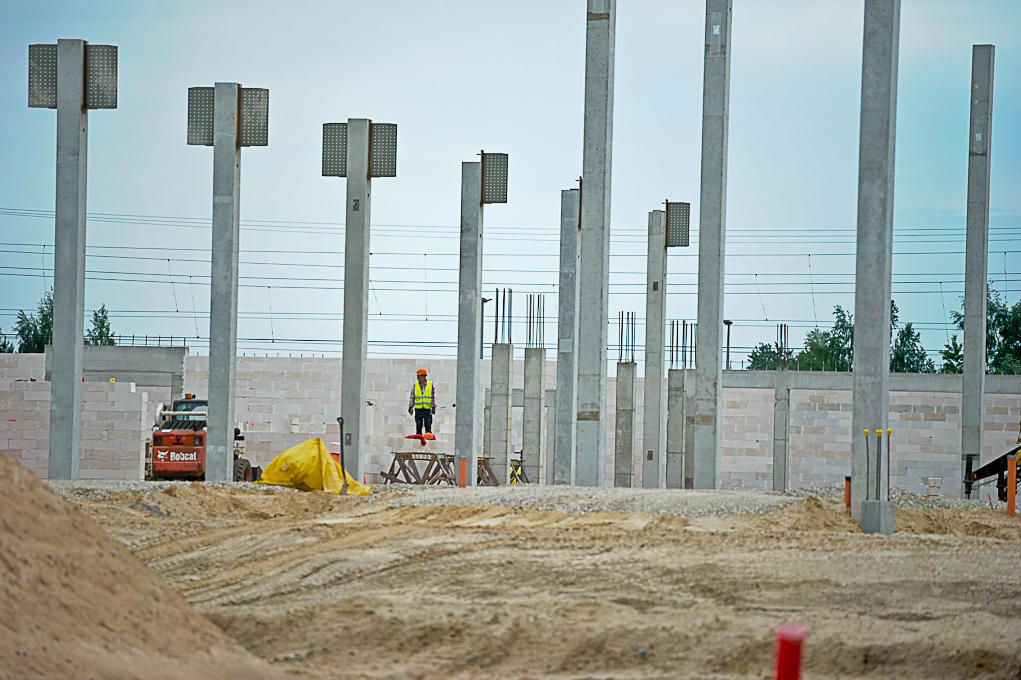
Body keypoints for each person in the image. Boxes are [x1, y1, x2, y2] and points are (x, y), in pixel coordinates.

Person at [408, 368, 437, 436]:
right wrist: (410, 407)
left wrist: (433, 407)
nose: (417, 378)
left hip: (427, 409)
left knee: (428, 426)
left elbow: (433, 396)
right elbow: (412, 396)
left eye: (419, 376)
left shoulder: (430, 384)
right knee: (418, 425)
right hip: (418, 409)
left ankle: (429, 440)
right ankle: (418, 439)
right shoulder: (416, 385)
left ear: (423, 376)